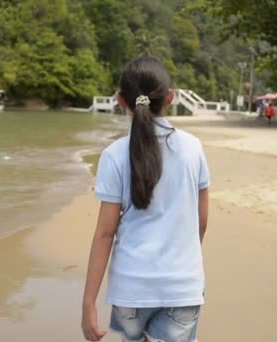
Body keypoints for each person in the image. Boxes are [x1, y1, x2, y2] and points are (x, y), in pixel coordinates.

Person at [81, 56, 210, 342]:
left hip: (132, 288)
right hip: (183, 285)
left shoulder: (114, 155)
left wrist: (88, 303)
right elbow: (201, 220)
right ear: (171, 98)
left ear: (120, 99)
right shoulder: (193, 149)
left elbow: (105, 234)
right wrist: (184, 258)